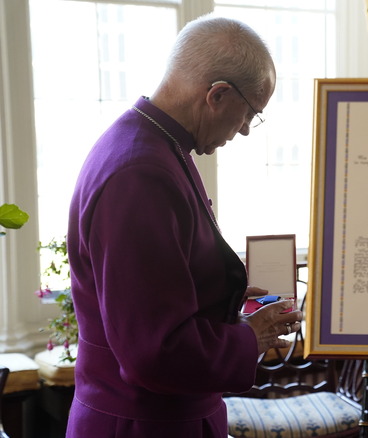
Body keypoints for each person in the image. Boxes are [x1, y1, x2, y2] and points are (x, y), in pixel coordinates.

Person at [66, 14, 302, 437]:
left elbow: (155, 289)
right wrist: (251, 337)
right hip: (143, 423)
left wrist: (218, 295)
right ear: (217, 95)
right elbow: (152, 353)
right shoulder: (139, 172)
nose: (247, 130)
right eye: (251, 114)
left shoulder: (155, 143)